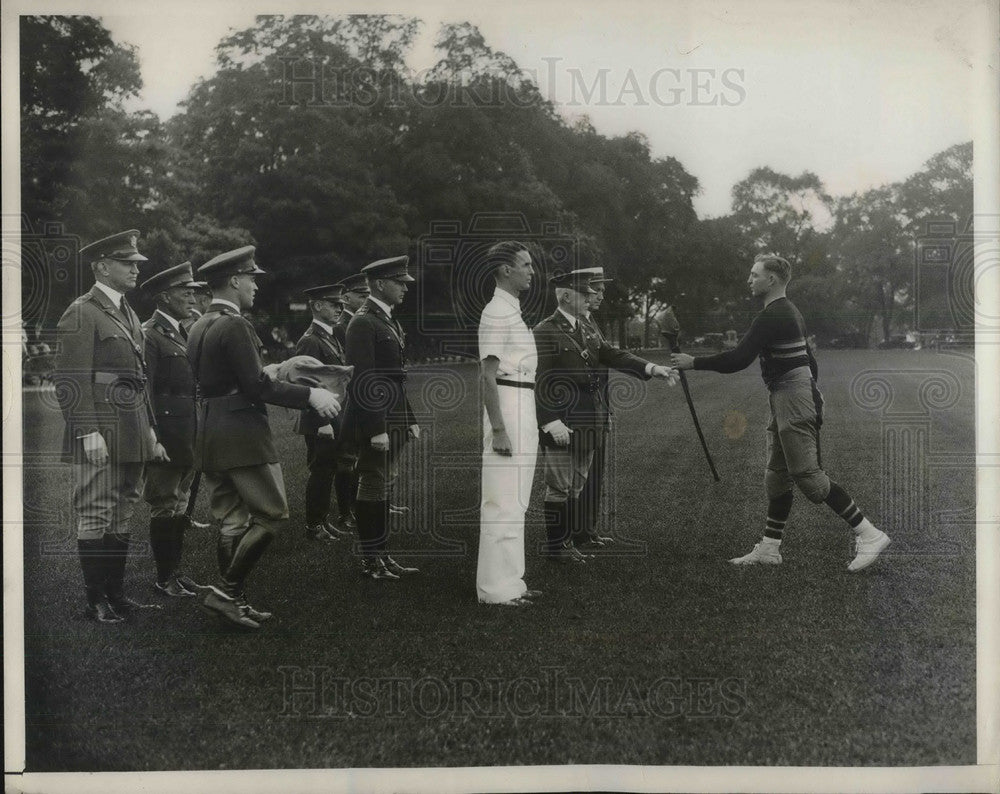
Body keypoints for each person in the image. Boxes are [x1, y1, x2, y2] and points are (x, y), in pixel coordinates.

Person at [670, 253, 891, 571]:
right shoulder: (788, 311)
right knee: (777, 477)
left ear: (771, 279)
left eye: (754, 274)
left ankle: (869, 533)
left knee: (809, 478)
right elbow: (809, 362)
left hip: (793, 398)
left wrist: (694, 362)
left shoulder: (774, 315)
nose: (749, 279)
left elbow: (738, 359)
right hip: (789, 396)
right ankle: (770, 548)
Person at [188, 246, 341, 628]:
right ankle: (226, 593)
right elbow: (256, 388)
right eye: (252, 278)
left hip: (210, 428)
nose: (256, 286)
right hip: (242, 432)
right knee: (272, 514)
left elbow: (222, 380)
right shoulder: (236, 324)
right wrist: (311, 395)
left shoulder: (198, 324)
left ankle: (234, 602)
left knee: (232, 520)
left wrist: (272, 368)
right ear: (235, 280)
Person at [53, 229, 169, 624]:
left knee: (122, 511)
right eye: (128, 263)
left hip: (133, 425)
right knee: (96, 511)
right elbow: (69, 380)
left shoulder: (127, 311)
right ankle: (95, 602)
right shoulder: (82, 311)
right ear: (103, 266)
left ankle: (117, 596)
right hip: (101, 427)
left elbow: (138, 375)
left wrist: (151, 428)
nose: (136, 270)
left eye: (136, 263)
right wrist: (87, 432)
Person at [534, 271, 677, 564]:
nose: (590, 298)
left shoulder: (586, 327)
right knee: (558, 485)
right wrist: (550, 421)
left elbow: (613, 355)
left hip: (588, 418)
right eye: (584, 294)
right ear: (564, 296)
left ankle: (571, 539)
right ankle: (556, 548)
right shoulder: (545, 331)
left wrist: (651, 368)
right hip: (561, 421)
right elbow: (539, 380)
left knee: (576, 483)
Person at [342, 256, 420, 580]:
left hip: (394, 414)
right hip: (376, 418)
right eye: (399, 282)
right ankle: (371, 559)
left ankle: (383, 555)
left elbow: (395, 377)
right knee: (373, 482)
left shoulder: (386, 319)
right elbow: (363, 378)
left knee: (385, 483)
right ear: (379, 284)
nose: (405, 287)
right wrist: (376, 428)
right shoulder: (363, 322)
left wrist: (409, 417)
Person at [476, 242, 542, 606]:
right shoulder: (496, 314)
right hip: (507, 404)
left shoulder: (512, 312)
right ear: (504, 270)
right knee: (501, 498)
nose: (531, 271)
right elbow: (486, 376)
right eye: (525, 265)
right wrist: (498, 429)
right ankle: (494, 588)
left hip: (523, 402)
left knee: (517, 498)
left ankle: (512, 581)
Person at [139, 262, 204, 597]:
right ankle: (165, 578)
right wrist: (152, 436)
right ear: (164, 296)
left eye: (192, 290)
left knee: (179, 504)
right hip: (166, 435)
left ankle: (175, 573)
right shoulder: (150, 333)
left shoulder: (183, 332)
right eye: (185, 290)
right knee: (165, 503)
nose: (192, 296)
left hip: (187, 434)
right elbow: (144, 388)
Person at [294, 283, 352, 542]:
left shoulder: (329, 335)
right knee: (321, 469)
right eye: (334, 304)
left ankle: (322, 521)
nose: (340, 308)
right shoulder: (310, 341)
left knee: (329, 469)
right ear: (317, 306)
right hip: (322, 418)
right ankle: (314, 525)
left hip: (335, 412)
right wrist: (322, 423)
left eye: (341, 304)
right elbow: (307, 383)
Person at [576, 267, 616, 549]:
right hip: (580, 410)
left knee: (595, 471)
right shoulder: (575, 324)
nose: (601, 295)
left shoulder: (591, 322)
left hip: (598, 408)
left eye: (601, 290)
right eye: (596, 290)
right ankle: (577, 532)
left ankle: (587, 530)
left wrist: (607, 411)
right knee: (579, 473)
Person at [330, 272, 370, 528]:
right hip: (344, 399)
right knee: (345, 457)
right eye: (361, 295)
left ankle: (355, 506)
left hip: (359, 396)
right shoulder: (341, 325)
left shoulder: (359, 320)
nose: (366, 298)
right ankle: (345, 512)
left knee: (357, 455)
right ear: (346, 298)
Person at [182, 280, 213, 529]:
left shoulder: (196, 321)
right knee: (190, 461)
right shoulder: (194, 323)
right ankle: (182, 514)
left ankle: (185, 514)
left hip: (197, 397)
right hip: (193, 397)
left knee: (195, 462)